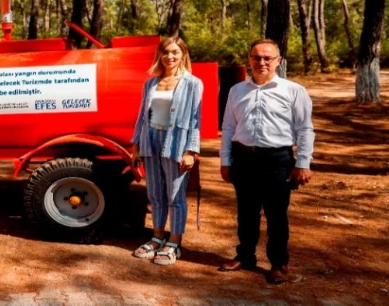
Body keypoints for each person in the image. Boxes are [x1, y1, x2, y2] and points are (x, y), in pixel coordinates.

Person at [218, 39, 314, 284]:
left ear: (278, 61)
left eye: (267, 58)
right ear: (249, 59)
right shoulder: (237, 90)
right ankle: (245, 256)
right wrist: (225, 160)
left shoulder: (294, 91)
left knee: (276, 216)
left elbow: (304, 129)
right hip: (244, 158)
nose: (262, 62)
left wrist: (302, 163)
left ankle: (279, 264)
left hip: (277, 160)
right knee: (246, 213)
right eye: (256, 57)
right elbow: (228, 127)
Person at [131, 37, 203, 265]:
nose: (169, 57)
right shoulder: (150, 84)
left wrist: (191, 150)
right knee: (155, 194)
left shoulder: (193, 83)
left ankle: (174, 242)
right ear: (159, 55)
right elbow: (142, 116)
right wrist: (135, 146)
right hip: (150, 143)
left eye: (174, 52)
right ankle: (157, 237)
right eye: (165, 52)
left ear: (183, 54)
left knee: (175, 196)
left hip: (176, 145)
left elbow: (195, 119)